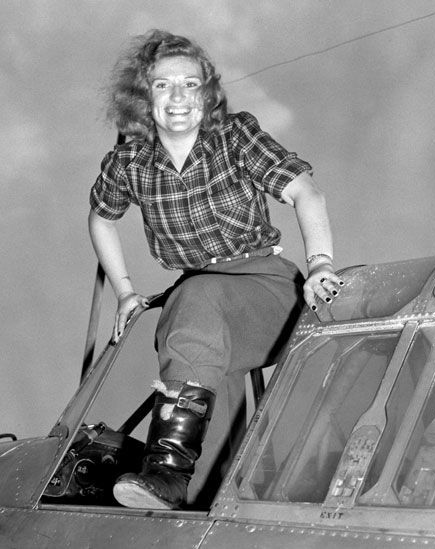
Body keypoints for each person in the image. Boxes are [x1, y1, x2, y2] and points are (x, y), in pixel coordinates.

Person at [88, 29, 343, 510]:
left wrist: (321, 265)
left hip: (267, 291)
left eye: (190, 83)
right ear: (145, 99)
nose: (179, 96)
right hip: (202, 312)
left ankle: (165, 467)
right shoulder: (128, 163)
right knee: (208, 432)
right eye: (163, 85)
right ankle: (189, 498)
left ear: (207, 94)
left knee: (196, 301)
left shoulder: (236, 136)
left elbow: (306, 193)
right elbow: (101, 218)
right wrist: (124, 290)